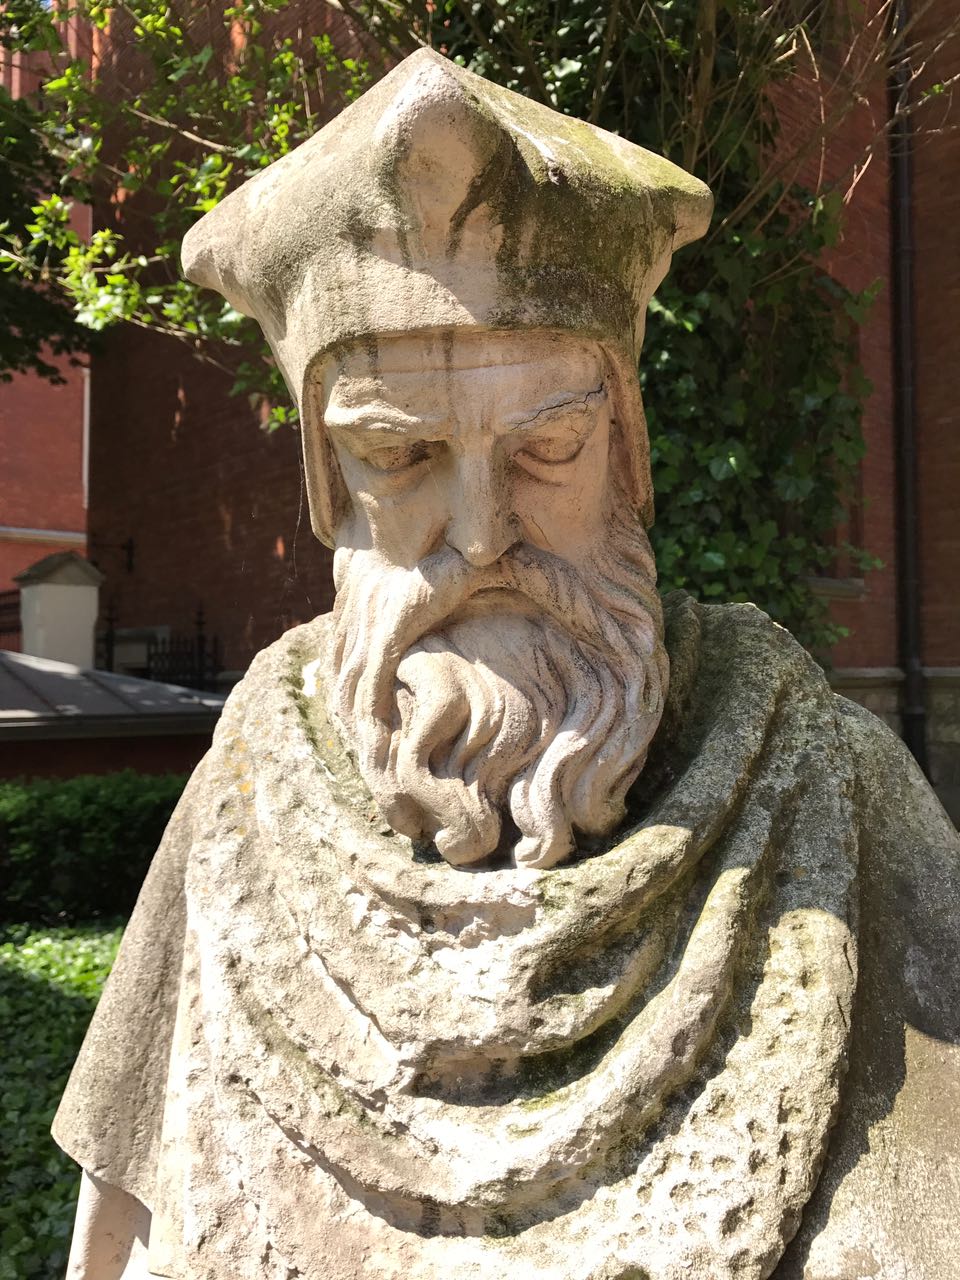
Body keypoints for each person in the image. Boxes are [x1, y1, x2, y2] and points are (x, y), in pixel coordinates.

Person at [55, 48, 960, 1280]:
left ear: (625, 455)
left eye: (549, 449)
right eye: (400, 455)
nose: (482, 535)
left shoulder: (831, 793)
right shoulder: (243, 806)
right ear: (329, 485)